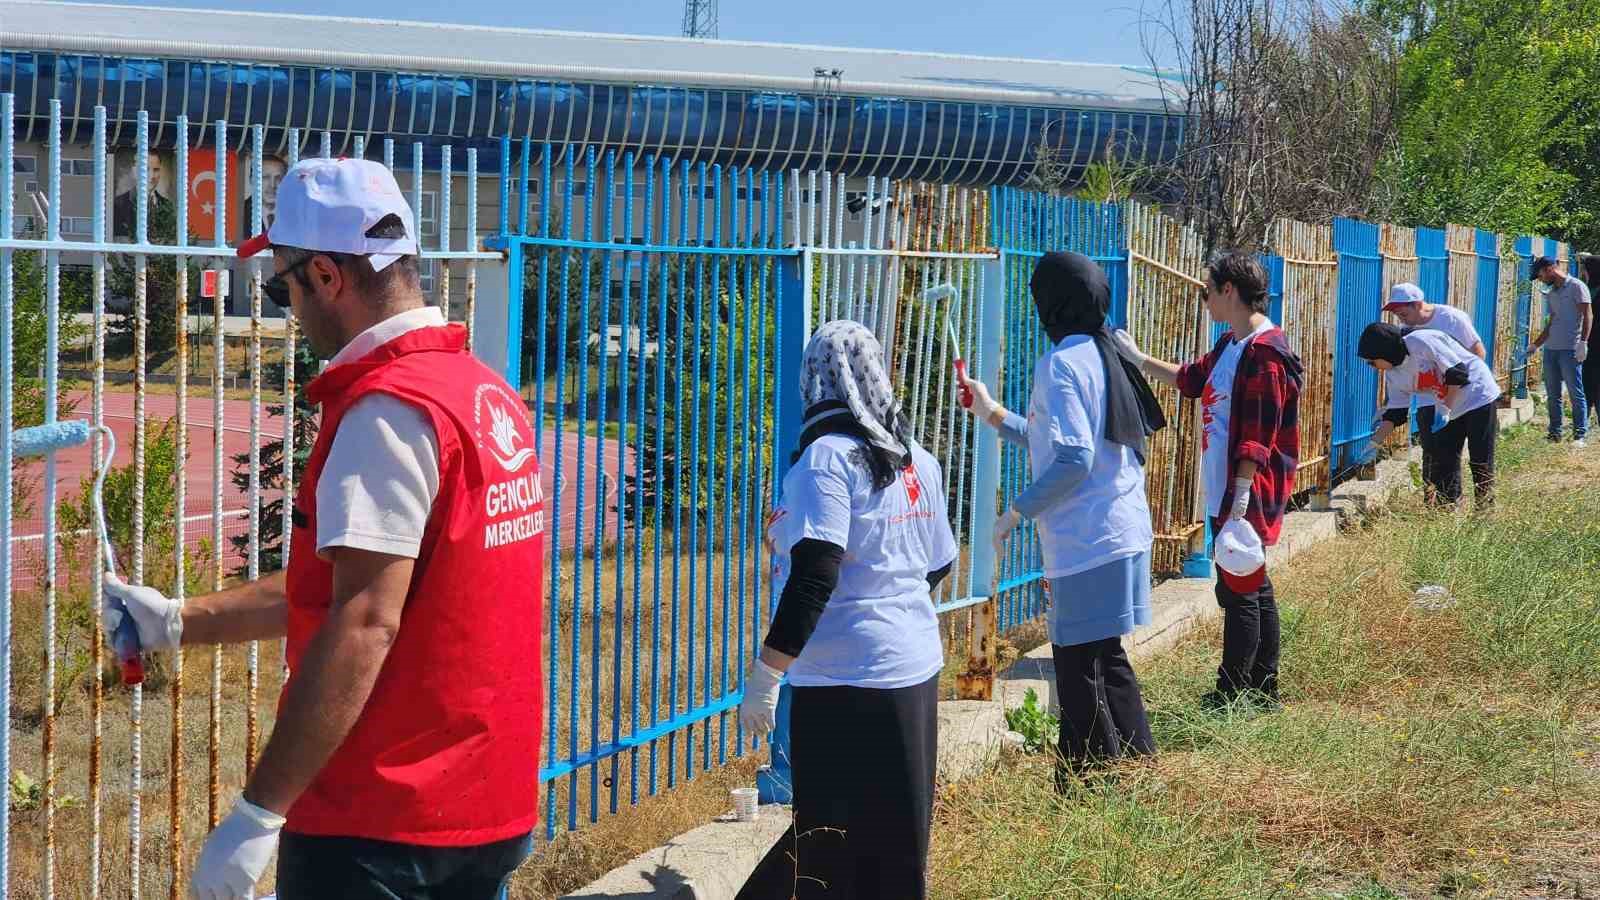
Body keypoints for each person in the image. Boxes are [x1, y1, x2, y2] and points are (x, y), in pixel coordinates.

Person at [101, 157, 545, 899]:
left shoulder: (387, 411)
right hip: (486, 806)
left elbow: (365, 622)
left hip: (380, 825)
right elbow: (359, 587)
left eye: (282, 286)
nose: (284, 307)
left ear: (328, 278)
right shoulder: (479, 392)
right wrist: (178, 622)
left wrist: (255, 813)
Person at [737, 320, 958, 900]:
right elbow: (939, 564)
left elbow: (816, 575)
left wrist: (766, 674)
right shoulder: (917, 460)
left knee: (828, 841)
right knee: (897, 844)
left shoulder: (826, 460)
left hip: (842, 680)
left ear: (816, 379)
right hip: (911, 669)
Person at [955, 251, 1162, 786]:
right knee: (1102, 658)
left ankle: (1090, 787)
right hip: (1121, 529)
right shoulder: (1103, 350)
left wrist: (1014, 514)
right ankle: (1139, 769)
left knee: (1076, 668)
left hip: (1088, 538)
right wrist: (993, 413)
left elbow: (1073, 459)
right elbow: (1062, 443)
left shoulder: (1061, 364)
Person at [1111, 252, 1302, 709]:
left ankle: (1234, 691)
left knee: (1237, 591)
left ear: (1229, 291)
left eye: (1207, 291)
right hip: (1229, 485)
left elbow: (1259, 432)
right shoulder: (1232, 344)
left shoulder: (1265, 353)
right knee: (1252, 582)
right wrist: (1139, 360)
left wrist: (1240, 494)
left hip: (1246, 488)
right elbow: (1191, 380)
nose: (1205, 300)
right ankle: (1261, 687)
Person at [1358, 322, 1501, 511]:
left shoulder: (1421, 341)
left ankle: (1485, 510)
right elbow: (1396, 413)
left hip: (1477, 395)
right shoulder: (1394, 375)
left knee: (1480, 456)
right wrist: (1374, 444)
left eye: (1372, 361)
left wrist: (1444, 409)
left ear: (1384, 351)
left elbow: (1457, 372)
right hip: (1447, 404)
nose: (1373, 367)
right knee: (1444, 460)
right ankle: (1446, 511)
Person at [1381, 282, 1487, 505]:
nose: (1401, 319)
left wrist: (1458, 391)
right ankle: (1441, 506)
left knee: (1478, 455)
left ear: (1418, 304)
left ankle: (1484, 506)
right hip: (1429, 401)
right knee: (1434, 455)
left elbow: (1477, 351)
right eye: (1397, 315)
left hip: (1464, 395)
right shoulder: (1406, 331)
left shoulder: (1450, 318)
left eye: (1404, 313)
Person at [1529, 255, 1592, 447]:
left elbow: (1588, 315)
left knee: (1575, 393)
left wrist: (1583, 343)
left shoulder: (1577, 286)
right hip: (1551, 350)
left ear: (1549, 270)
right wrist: (1535, 344)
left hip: (1570, 349)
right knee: (1553, 393)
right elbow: (1553, 321)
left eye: (1540, 276)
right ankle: (1555, 433)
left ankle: (1580, 435)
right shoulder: (1552, 292)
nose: (1540, 280)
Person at [1580, 256, 1600, 420]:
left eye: (1585, 269)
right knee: (1586, 384)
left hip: (1596, 345)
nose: (1583, 273)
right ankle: (1582, 425)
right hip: (1587, 345)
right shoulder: (1587, 289)